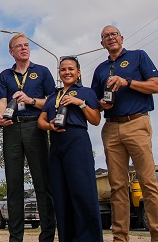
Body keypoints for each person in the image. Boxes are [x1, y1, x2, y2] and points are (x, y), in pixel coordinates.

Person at [90, 26, 158, 242]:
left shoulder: (138, 56)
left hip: (137, 122)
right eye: (106, 36)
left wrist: (127, 82)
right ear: (102, 43)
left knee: (148, 183)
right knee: (117, 186)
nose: (110, 38)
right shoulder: (100, 69)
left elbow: (156, 86)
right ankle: (120, 238)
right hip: (111, 127)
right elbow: (95, 102)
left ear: (122, 38)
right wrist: (101, 104)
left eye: (114, 34)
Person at [0, 33, 56, 242]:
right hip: (12, 127)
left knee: (42, 182)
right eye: (18, 46)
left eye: (26, 45)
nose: (23, 48)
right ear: (11, 51)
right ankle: (16, 237)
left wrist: (30, 100)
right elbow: (2, 101)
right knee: (14, 184)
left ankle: (47, 235)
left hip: (35, 126)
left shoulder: (42, 72)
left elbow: (51, 102)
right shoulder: (5, 75)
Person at [38, 56, 102, 242]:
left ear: (78, 72)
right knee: (60, 193)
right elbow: (41, 121)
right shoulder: (53, 96)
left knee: (82, 191)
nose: (67, 72)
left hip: (77, 141)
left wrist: (80, 103)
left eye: (71, 69)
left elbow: (96, 120)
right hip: (57, 143)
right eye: (63, 69)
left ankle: (88, 238)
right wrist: (49, 126)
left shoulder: (86, 92)